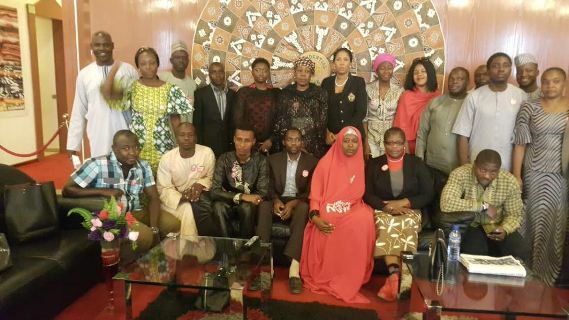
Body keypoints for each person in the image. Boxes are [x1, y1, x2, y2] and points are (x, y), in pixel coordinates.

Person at [300, 126, 375, 304]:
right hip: (327, 206)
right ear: (339, 142)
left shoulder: (362, 164)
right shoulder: (325, 163)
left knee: (363, 219)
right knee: (329, 218)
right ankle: (328, 274)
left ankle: (350, 276)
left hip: (353, 206)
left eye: (354, 141)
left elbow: (360, 194)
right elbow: (315, 196)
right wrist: (315, 217)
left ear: (360, 144)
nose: (350, 145)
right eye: (346, 141)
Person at [512, 68, 569, 285]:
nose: (550, 86)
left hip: (561, 176)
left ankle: (547, 276)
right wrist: (517, 175)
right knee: (529, 220)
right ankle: (524, 270)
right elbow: (520, 144)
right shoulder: (529, 107)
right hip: (533, 173)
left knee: (554, 223)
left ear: (563, 85)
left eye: (555, 82)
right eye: (545, 81)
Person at [364, 127, 434, 301]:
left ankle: (400, 278)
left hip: (409, 209)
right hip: (383, 208)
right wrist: (386, 207)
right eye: (389, 143)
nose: (394, 147)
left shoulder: (416, 163)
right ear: (384, 144)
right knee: (387, 226)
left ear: (404, 144)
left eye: (398, 143)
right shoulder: (374, 164)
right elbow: (367, 193)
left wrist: (404, 203)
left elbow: (428, 193)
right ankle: (396, 277)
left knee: (407, 225)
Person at [62, 130, 157, 256]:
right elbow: (68, 190)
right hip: (113, 217)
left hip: (136, 211)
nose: (133, 152)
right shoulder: (97, 164)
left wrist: (155, 227)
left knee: (171, 224)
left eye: (136, 147)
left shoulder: (143, 165)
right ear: (114, 149)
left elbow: (154, 197)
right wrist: (103, 191)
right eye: (126, 148)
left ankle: (148, 261)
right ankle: (121, 268)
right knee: (144, 236)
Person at [105, 47, 192, 173]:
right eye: (143, 64)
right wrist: (113, 71)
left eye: (152, 63)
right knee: (137, 182)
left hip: (163, 145)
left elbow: (175, 121)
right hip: (135, 147)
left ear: (158, 64)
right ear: (138, 67)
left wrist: (181, 146)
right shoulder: (131, 87)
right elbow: (110, 96)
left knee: (162, 184)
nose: (148, 67)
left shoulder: (170, 89)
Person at [256, 128, 318, 294]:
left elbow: (311, 192)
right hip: (277, 198)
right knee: (264, 206)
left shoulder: (312, 162)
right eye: (290, 139)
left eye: (297, 140)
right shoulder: (273, 160)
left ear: (302, 142)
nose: (294, 143)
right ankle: (265, 268)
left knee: (305, 208)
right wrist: (276, 200)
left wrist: (293, 204)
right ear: (284, 142)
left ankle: (294, 271)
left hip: (299, 200)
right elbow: (266, 186)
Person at [440, 149, 529, 261]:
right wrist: (483, 206)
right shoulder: (460, 174)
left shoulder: (510, 182)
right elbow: (446, 203)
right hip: (471, 225)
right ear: (474, 164)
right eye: (483, 170)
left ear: (499, 170)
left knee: (521, 250)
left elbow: (515, 215)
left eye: (493, 172)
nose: (487, 176)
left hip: (497, 224)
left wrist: (505, 229)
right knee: (476, 256)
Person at [67, 31, 138, 158]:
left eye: (106, 45)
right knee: (105, 172)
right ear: (91, 47)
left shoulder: (128, 70)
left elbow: (138, 104)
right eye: (97, 45)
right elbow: (79, 110)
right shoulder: (85, 74)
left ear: (112, 45)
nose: (102, 49)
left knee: (127, 169)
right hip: (98, 133)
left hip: (126, 131)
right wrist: (73, 145)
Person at [453, 52, 527, 171]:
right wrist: (464, 168)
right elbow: (462, 134)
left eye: (506, 65)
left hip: (508, 165)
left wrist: (517, 171)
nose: (501, 69)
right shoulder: (474, 96)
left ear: (510, 69)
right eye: (496, 65)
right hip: (476, 164)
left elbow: (522, 137)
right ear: (488, 70)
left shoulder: (521, 96)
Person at [416, 67, 469, 223]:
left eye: (460, 78)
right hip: (432, 166)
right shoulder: (435, 103)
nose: (454, 81)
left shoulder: (471, 104)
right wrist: (420, 160)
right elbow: (422, 133)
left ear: (467, 82)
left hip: (458, 168)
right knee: (431, 205)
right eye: (452, 78)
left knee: (450, 210)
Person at [156, 123, 216, 238]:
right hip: (174, 200)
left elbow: (211, 177)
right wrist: (182, 197)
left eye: (190, 135)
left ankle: (191, 248)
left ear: (196, 137)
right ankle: (189, 247)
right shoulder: (167, 159)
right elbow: (163, 188)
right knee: (187, 208)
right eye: (182, 135)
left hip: (200, 196)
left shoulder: (206, 153)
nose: (186, 138)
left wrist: (200, 185)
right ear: (176, 138)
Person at [210, 125, 269, 238]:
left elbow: (263, 192)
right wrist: (241, 196)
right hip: (227, 201)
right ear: (234, 139)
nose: (242, 145)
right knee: (218, 207)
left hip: (249, 205)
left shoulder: (261, 161)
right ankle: (226, 249)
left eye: (247, 141)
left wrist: (248, 199)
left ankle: (244, 250)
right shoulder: (224, 159)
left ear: (253, 142)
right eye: (239, 139)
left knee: (246, 207)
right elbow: (214, 191)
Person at [273, 57, 328, 158]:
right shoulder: (285, 94)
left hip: (314, 146)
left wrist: (308, 144)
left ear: (311, 74)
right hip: (290, 145)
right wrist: (293, 142)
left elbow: (322, 122)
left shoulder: (320, 93)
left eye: (307, 71)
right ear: (294, 73)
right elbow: (280, 121)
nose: (303, 74)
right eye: (300, 70)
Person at [393, 57, 440, 154]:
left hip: (434, 146)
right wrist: (407, 153)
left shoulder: (438, 96)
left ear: (430, 73)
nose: (419, 74)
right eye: (415, 72)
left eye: (423, 71)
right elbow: (401, 126)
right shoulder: (406, 96)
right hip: (411, 146)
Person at [321, 48, 367, 146]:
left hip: (352, 138)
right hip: (331, 138)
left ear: (350, 63)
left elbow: (361, 112)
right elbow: (322, 111)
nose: (342, 63)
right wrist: (327, 132)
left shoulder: (358, 82)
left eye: (345, 60)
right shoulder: (326, 82)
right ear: (333, 63)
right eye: (338, 59)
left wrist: (342, 134)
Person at [233, 58, 280, 154]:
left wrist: (271, 139)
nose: (261, 73)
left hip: (271, 144)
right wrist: (248, 140)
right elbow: (238, 120)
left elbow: (280, 119)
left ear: (268, 73)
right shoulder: (244, 92)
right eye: (257, 70)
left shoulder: (276, 93)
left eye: (265, 70)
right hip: (248, 143)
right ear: (252, 72)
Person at [364, 53, 404, 158]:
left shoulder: (399, 91)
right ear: (376, 70)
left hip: (392, 139)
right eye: (382, 68)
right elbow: (364, 118)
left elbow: (401, 117)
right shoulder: (367, 88)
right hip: (372, 136)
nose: (386, 71)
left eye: (389, 68)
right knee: (373, 169)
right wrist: (365, 141)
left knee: (389, 169)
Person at [193, 62, 236, 157]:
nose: (218, 75)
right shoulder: (200, 94)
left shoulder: (232, 94)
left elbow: (233, 122)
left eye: (220, 72)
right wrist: (199, 146)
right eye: (214, 72)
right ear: (209, 75)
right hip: (207, 146)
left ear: (224, 74)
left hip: (227, 146)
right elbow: (197, 123)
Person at [158, 41, 196, 122]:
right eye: (177, 57)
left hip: (186, 132)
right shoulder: (161, 78)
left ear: (188, 61)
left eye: (184, 57)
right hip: (167, 131)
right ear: (171, 60)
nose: (181, 60)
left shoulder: (192, 84)